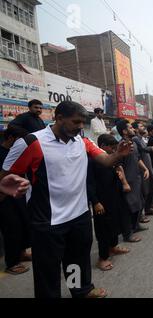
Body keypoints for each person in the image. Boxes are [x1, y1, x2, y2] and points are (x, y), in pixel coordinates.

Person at [0, 101, 134, 298]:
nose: (81, 126)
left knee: (77, 260)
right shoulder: (31, 142)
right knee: (48, 270)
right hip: (48, 222)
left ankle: (80, 291)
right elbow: (5, 177)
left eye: (83, 123)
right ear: (59, 118)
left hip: (79, 216)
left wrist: (118, 155)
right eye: (76, 122)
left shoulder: (83, 141)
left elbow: (106, 160)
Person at [87, 134, 131, 272]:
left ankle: (113, 246)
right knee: (103, 230)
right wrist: (95, 202)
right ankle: (102, 257)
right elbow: (89, 184)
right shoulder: (92, 161)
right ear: (102, 146)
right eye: (111, 148)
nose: (113, 150)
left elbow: (118, 170)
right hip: (102, 200)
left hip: (115, 197)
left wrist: (122, 180)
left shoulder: (113, 159)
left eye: (114, 148)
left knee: (115, 224)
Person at [0, 125, 32, 275]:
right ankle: (11, 263)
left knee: (24, 224)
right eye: (19, 140)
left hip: (19, 194)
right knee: (12, 229)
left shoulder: (20, 152)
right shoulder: (2, 152)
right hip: (4, 197)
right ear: (11, 138)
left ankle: (22, 252)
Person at [116, 120, 149, 236]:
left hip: (137, 178)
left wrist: (145, 169)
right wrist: (124, 182)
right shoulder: (121, 145)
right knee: (129, 207)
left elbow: (138, 158)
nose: (133, 129)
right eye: (130, 127)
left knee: (139, 203)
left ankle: (136, 226)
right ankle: (128, 233)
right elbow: (118, 165)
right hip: (129, 181)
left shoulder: (133, 143)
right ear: (124, 131)